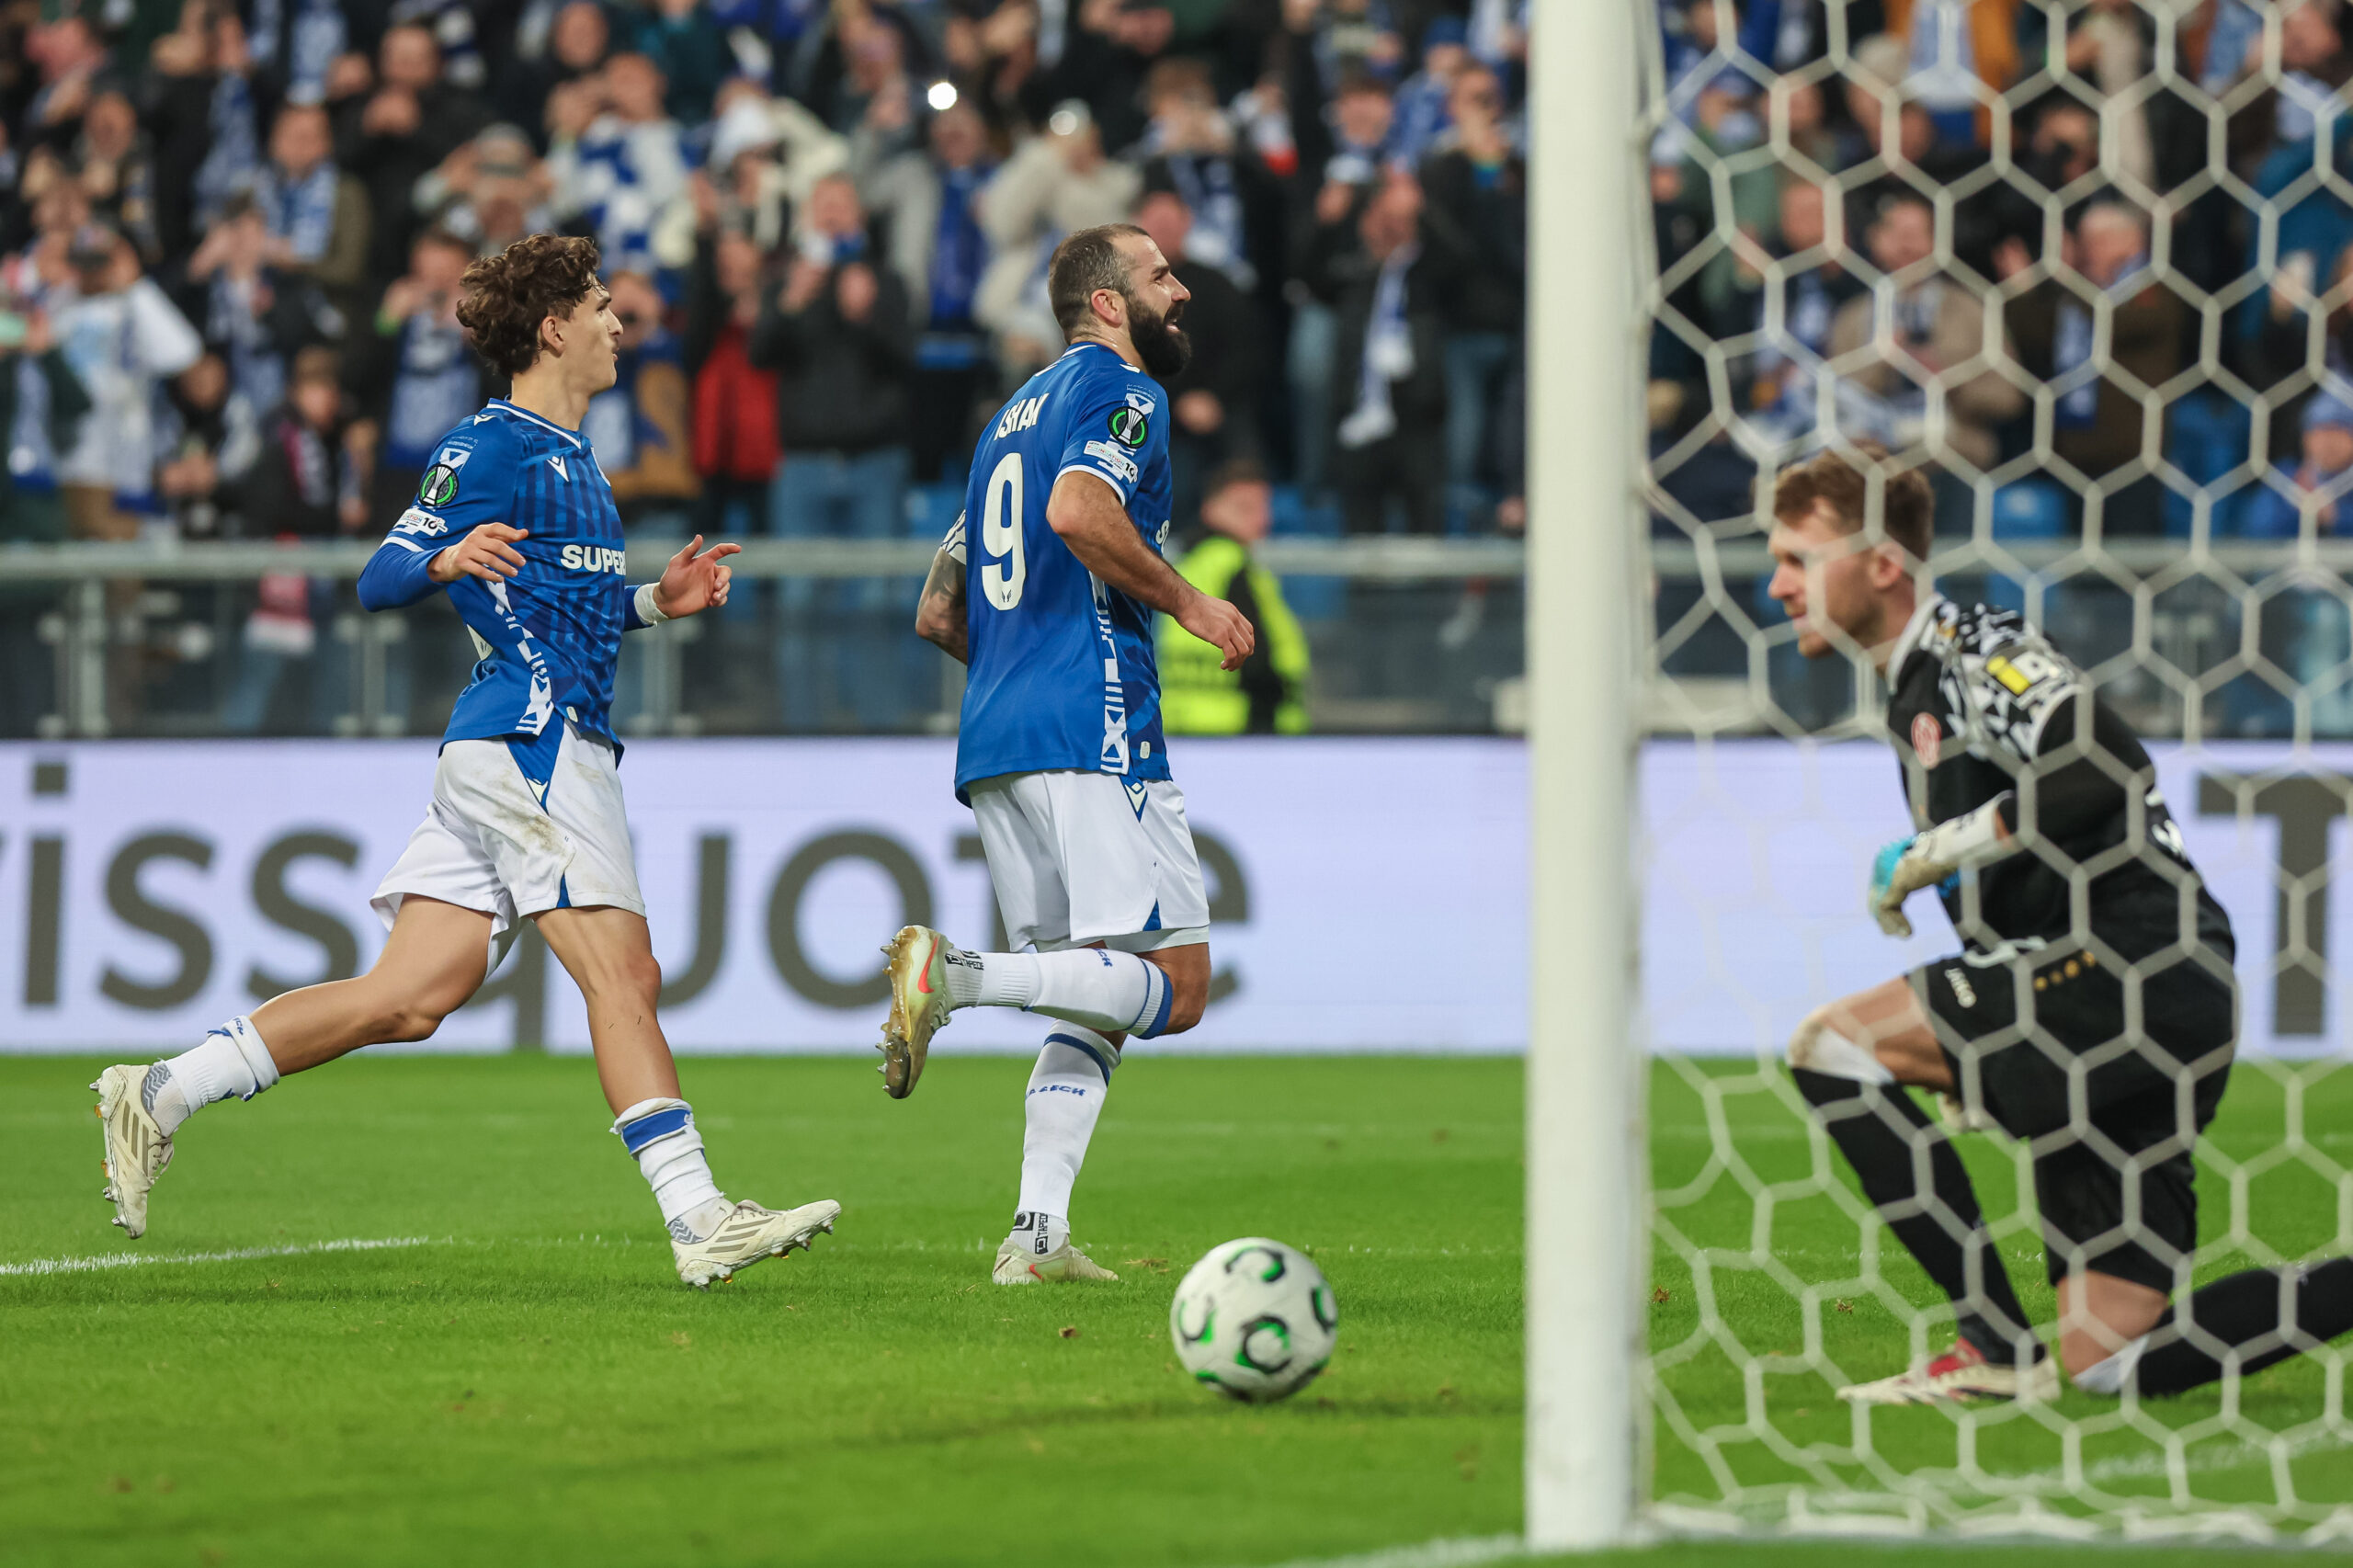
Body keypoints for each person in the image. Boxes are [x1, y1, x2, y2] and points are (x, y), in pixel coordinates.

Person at [88, 234, 840, 1290]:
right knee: (624, 972)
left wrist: (653, 605)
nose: (619, 323)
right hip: (528, 745)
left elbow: (568, 611)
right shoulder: (489, 444)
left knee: (409, 997)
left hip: (520, 744)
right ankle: (699, 1214)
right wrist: (438, 556)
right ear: (553, 329)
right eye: (601, 307)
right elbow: (380, 575)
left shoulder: (576, 461)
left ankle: (164, 1086)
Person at [1762, 445, 2353, 1403]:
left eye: (1797, 555)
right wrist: (1985, 1027)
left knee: (1833, 1047)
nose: (1776, 582)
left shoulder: (1974, 647)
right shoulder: (1911, 686)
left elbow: (2103, 765)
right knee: (2109, 1363)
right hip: (2146, 994)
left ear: (1881, 562)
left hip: (2131, 964)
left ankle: (1987, 1342)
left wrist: (1934, 850)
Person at [892, 222, 1254, 1285]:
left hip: (999, 732)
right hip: (1090, 720)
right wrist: (1189, 602)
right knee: (1174, 985)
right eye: (1159, 276)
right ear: (1106, 303)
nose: (1181, 290)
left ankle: (1036, 1234)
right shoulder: (1123, 394)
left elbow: (935, 609)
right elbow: (1077, 508)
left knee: (1097, 991)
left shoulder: (1006, 417)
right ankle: (956, 976)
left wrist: (1018, 660)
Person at [1159, 460, 1310, 734]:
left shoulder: (1179, 567)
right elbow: (1257, 662)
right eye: (1246, 508)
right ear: (1210, 508)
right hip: (1241, 736)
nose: (1263, 521)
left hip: (1178, 728)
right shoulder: (1233, 565)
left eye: (1265, 508)